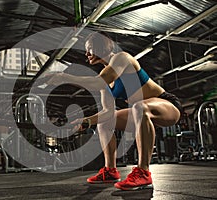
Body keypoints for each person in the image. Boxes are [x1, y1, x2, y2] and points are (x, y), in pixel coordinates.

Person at [46, 31, 182, 190]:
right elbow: (107, 112)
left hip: (167, 106)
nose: (86, 53)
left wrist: (64, 77)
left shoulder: (122, 58)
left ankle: (144, 172)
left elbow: (97, 83)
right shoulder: (105, 78)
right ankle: (110, 170)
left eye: (89, 48)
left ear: (101, 46)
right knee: (105, 122)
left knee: (139, 106)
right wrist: (87, 121)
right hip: (142, 113)